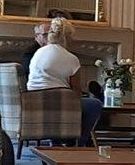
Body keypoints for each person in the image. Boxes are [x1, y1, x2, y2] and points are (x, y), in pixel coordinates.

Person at [27, 16, 102, 146]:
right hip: (58, 103)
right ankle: (78, 141)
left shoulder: (38, 53)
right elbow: (76, 91)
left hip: (33, 102)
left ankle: (59, 139)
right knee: (94, 104)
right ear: (67, 37)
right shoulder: (71, 59)